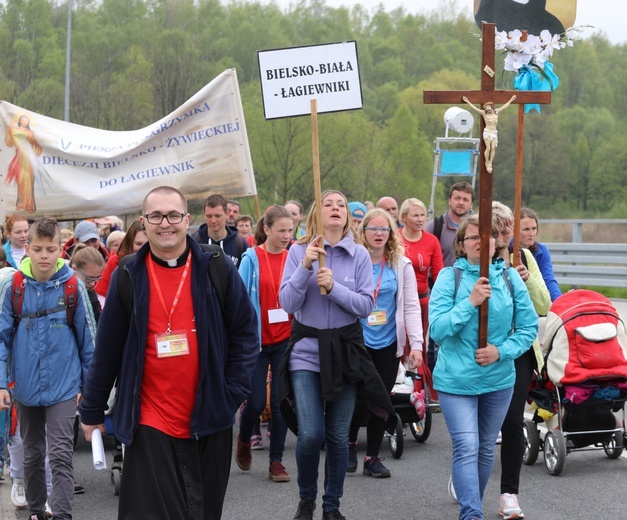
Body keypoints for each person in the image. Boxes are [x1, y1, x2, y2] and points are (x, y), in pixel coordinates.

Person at [79, 186, 259, 520]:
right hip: (150, 420)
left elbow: (246, 334)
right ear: (143, 223)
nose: (166, 223)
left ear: (187, 220)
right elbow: (108, 349)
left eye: (174, 215)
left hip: (209, 415)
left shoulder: (215, 267)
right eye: (156, 216)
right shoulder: (127, 276)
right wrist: (92, 409)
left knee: (204, 512)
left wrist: (232, 392)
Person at [279, 190, 395, 520]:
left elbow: (365, 306)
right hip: (307, 353)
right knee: (312, 433)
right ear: (318, 213)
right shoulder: (299, 251)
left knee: (339, 437)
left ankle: (332, 507)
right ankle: (306, 499)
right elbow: (287, 303)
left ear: (347, 216)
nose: (335, 208)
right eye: (328, 204)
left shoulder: (358, 255)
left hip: (346, 354)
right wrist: (305, 267)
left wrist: (334, 289)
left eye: (340, 205)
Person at [429, 214, 537, 520]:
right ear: (462, 245)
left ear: (496, 242)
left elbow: (528, 329)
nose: (479, 242)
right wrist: (470, 302)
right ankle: (471, 513)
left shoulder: (509, 278)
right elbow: (437, 329)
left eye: (485, 236)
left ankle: (471, 501)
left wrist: (500, 351)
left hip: (499, 380)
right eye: (472, 237)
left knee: (486, 447)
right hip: (456, 380)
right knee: (467, 445)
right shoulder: (451, 278)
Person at [0, 216, 96, 520]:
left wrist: (89, 389)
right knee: (31, 454)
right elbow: (1, 339)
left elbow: (89, 341)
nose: (44, 255)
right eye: (38, 248)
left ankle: (64, 516)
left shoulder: (73, 287)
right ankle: (38, 513)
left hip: (65, 387)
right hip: (26, 387)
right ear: (26, 248)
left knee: (60, 456)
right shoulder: (13, 287)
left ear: (61, 250)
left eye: (50, 249)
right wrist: (2, 382)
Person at [347, 209, 423, 478]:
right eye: (373, 229)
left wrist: (416, 345)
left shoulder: (400, 264)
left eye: (384, 229)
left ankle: (372, 458)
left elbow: (412, 306)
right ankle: (350, 442)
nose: (379, 234)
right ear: (362, 232)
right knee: (357, 396)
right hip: (359, 341)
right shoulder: (353, 261)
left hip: (389, 343)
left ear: (391, 233)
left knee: (380, 398)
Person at [491, 202, 550, 520]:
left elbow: (544, 304)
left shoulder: (523, 257)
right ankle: (466, 476)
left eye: (506, 230)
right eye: (496, 230)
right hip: (484, 353)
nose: (503, 236)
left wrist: (525, 278)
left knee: (513, 422)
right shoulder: (473, 261)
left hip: (521, 352)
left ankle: (508, 495)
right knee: (481, 427)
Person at [236, 205, 294, 482]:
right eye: (281, 230)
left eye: (290, 231)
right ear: (267, 229)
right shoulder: (251, 258)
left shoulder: (293, 257)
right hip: (257, 342)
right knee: (257, 401)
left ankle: (276, 462)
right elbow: (238, 299)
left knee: (282, 403)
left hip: (285, 339)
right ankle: (245, 437)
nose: (286, 236)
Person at [399, 198, 443, 344]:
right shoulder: (394, 237)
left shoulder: (432, 241)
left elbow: (438, 274)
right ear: (404, 218)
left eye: (422, 215)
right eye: (415, 215)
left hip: (421, 300)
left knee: (417, 342)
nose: (420, 219)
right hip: (397, 299)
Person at [94, 221, 147, 303]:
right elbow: (101, 294)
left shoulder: (164, 260)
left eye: (148, 244)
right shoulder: (116, 261)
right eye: (138, 244)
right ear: (129, 243)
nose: (143, 248)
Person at [426, 181, 475, 268]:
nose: (461, 202)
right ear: (449, 200)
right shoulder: (435, 226)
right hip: (439, 280)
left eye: (465, 199)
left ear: (471, 204)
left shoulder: (476, 229)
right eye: (457, 198)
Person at [191, 194, 248, 268]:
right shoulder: (194, 242)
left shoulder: (240, 244)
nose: (213, 221)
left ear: (227, 214)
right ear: (204, 215)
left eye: (217, 216)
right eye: (209, 216)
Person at [4, 114, 47, 213]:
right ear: (20, 121)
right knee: (21, 180)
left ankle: (30, 205)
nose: (25, 121)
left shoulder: (30, 132)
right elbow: (9, 143)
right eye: (23, 120)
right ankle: (20, 203)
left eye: (26, 120)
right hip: (19, 159)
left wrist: (32, 144)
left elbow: (36, 146)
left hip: (29, 159)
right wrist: (9, 130)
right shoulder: (14, 130)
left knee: (29, 181)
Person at [462, 95, 516, 173]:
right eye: (486, 107)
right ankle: (487, 162)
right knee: (488, 148)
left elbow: (504, 107)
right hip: (487, 132)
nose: (487, 108)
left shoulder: (496, 112)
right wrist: (468, 101)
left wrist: (511, 100)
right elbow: (475, 108)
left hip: (494, 132)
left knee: (493, 148)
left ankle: (490, 162)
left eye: (488, 107)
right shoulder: (484, 113)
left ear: (491, 107)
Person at [517, 207, 562, 302]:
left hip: (538, 301)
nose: (531, 233)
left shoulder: (541, 250)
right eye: (526, 229)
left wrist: (560, 302)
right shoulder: (507, 250)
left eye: (534, 228)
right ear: (514, 230)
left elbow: (548, 280)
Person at [70, 244, 106, 324]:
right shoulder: (61, 292)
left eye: (97, 278)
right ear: (74, 269)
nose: (93, 284)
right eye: (89, 278)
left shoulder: (91, 295)